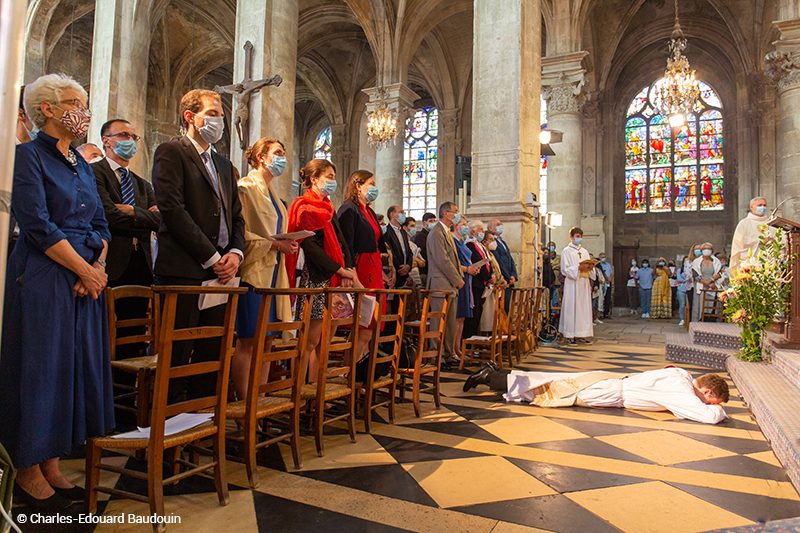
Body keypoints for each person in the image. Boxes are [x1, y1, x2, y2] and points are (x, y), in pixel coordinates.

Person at [0, 73, 113, 509]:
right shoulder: (27, 157)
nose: (83, 110)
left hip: (83, 279)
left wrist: (96, 269)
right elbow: (37, 224)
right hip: (44, 275)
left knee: (69, 371)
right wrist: (85, 269)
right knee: (40, 371)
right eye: (74, 101)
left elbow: (101, 224)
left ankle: (51, 462)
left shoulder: (82, 164)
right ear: (47, 109)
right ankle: (26, 467)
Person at [151, 88, 245, 399]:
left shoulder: (222, 164)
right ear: (191, 117)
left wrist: (234, 253)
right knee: (178, 356)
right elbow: (172, 209)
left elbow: (236, 217)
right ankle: (168, 432)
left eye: (221, 114)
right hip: (185, 271)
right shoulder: (171, 152)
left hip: (221, 276)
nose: (220, 120)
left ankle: (200, 425)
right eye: (214, 113)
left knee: (211, 353)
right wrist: (211, 256)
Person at [231, 137, 297, 400]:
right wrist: (273, 245)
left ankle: (258, 401)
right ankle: (244, 402)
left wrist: (286, 243)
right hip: (253, 275)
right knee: (248, 341)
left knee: (268, 341)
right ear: (261, 157)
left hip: (274, 275)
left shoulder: (275, 196)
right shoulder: (245, 188)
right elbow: (241, 235)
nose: (282, 158)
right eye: (277, 153)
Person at [286, 159, 360, 379]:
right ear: (313, 179)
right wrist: (340, 270)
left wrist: (348, 267)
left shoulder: (328, 207)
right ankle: (300, 389)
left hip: (335, 278)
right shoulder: (303, 205)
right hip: (316, 278)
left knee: (326, 339)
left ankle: (316, 388)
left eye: (334, 177)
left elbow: (341, 240)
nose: (333, 182)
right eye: (328, 177)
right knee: (310, 340)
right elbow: (311, 248)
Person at [462, 364, 729, 425]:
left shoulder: (682, 374)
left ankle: (496, 373)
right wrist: (716, 409)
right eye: (709, 399)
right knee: (547, 392)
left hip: (608, 381)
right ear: (705, 390)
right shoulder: (681, 389)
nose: (706, 403)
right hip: (607, 392)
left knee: (550, 381)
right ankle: (491, 378)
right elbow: (707, 417)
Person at [93, 119, 160, 288]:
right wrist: (146, 216)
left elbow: (161, 221)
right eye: (124, 135)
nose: (130, 140)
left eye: (133, 137)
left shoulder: (143, 184)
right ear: (106, 140)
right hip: (110, 260)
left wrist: (133, 211)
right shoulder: (94, 172)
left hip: (142, 262)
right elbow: (109, 217)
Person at [337, 169, 385, 359]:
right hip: (361, 268)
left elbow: (378, 241)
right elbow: (346, 243)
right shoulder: (349, 208)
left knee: (372, 327)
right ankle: (351, 375)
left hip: (374, 267)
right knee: (364, 325)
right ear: (358, 186)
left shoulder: (370, 211)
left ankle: (361, 372)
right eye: (371, 184)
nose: (374, 188)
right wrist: (351, 272)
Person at [427, 201, 464, 366]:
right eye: (454, 212)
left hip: (450, 286)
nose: (456, 215)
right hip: (440, 285)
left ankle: (448, 354)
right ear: (445, 213)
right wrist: (457, 279)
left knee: (449, 323)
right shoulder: (436, 232)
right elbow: (442, 260)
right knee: (438, 322)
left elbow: (453, 259)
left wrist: (457, 278)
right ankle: (437, 356)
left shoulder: (446, 232)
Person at [558, 227, 595, 344]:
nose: (579, 239)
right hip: (572, 283)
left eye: (580, 236)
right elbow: (565, 269)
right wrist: (578, 268)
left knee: (583, 308)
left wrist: (590, 267)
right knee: (572, 308)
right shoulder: (566, 251)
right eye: (577, 236)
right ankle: (570, 334)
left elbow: (590, 269)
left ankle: (582, 333)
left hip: (583, 283)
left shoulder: (584, 251)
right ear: (571, 237)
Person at [452, 216, 480, 357]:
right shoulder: (453, 242)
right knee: (457, 317)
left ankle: (458, 348)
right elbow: (454, 264)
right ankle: (453, 349)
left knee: (462, 317)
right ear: (456, 226)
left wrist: (473, 268)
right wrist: (467, 269)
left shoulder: (461, 242)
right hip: (460, 279)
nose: (465, 227)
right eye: (463, 224)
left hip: (467, 279)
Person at [730, 197, 777, 271]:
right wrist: (760, 241)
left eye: (764, 205)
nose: (763, 207)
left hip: (770, 262)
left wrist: (774, 240)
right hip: (750, 263)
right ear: (751, 207)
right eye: (759, 205)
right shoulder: (744, 223)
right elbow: (740, 243)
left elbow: (781, 238)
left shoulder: (772, 223)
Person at [464, 220, 493, 338]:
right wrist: (488, 276)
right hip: (475, 282)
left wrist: (491, 275)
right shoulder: (470, 244)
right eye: (480, 229)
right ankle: (469, 341)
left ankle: (474, 339)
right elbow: (476, 261)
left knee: (478, 313)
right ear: (473, 230)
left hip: (482, 283)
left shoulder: (479, 244)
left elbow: (487, 261)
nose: (482, 232)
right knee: (474, 314)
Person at [488, 218, 518, 311]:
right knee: (501, 310)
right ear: (491, 228)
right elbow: (498, 261)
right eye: (497, 224)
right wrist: (507, 277)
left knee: (507, 309)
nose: (500, 226)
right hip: (503, 281)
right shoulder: (492, 242)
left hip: (509, 280)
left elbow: (510, 259)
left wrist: (514, 275)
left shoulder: (502, 242)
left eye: (501, 224)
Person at [383, 205, 414, 289]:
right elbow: (390, 252)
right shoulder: (386, 232)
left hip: (405, 274)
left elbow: (409, 252)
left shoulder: (403, 232)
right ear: (392, 214)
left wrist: (408, 266)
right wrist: (400, 268)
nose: (404, 214)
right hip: (394, 274)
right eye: (401, 212)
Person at [691, 242, 722, 322]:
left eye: (709, 249)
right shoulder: (697, 261)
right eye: (704, 249)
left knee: (712, 307)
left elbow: (720, 273)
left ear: (712, 250)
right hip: (702, 287)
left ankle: (712, 321)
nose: (706, 250)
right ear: (701, 250)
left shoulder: (716, 261)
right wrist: (707, 283)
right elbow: (695, 275)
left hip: (713, 287)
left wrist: (712, 281)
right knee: (701, 307)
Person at [414, 212, 436, 282]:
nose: (433, 223)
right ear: (424, 223)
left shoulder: (432, 235)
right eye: (430, 221)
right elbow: (424, 254)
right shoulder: (420, 236)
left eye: (434, 221)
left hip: (432, 270)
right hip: (425, 271)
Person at [598, 252, 614, 319]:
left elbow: (611, 272)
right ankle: (600, 313)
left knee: (608, 298)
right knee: (601, 299)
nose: (603, 258)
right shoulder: (598, 265)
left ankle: (606, 313)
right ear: (599, 258)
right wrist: (605, 279)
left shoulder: (608, 265)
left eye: (604, 257)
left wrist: (610, 279)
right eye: (602, 257)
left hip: (608, 282)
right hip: (601, 283)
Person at [676, 262, 690, 326]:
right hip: (681, 289)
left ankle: (688, 318)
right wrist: (686, 280)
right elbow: (679, 279)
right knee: (682, 305)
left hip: (689, 289)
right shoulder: (679, 270)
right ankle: (682, 319)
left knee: (689, 305)